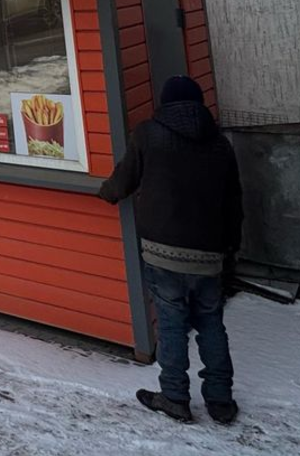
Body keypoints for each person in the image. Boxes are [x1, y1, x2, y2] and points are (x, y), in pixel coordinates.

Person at [98, 75, 243, 426]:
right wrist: (230, 249)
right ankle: (220, 400)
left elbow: (124, 178)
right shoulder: (220, 144)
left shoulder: (148, 133)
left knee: (172, 323)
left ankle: (175, 396)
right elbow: (235, 202)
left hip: (163, 251)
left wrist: (106, 192)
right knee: (211, 323)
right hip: (209, 253)